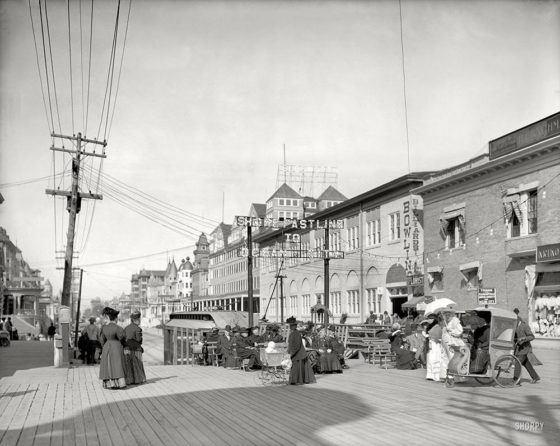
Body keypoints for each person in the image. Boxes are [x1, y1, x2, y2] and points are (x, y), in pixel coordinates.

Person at [99, 307, 127, 389]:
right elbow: (122, 338)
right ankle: (119, 383)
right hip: (116, 347)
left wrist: (102, 349)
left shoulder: (103, 328)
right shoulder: (118, 328)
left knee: (108, 365)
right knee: (117, 365)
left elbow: (101, 340)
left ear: (108, 317)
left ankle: (109, 384)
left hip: (106, 347)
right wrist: (125, 346)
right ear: (115, 318)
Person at [513, 308, 540, 384]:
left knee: (517, 362)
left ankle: (515, 380)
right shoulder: (514, 326)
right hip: (518, 349)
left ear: (518, 320)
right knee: (526, 363)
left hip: (525, 348)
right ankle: (535, 377)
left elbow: (532, 336)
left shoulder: (524, 326)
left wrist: (524, 338)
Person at [287, 317, 316, 385]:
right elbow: (291, 344)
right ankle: (295, 380)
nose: (290, 327)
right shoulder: (293, 333)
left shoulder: (296, 333)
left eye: (292, 325)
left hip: (298, 353)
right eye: (290, 325)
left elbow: (297, 345)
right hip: (296, 353)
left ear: (295, 326)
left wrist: (292, 353)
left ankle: (296, 380)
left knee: (297, 367)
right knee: (296, 367)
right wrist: (289, 351)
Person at [123, 311, 146, 385]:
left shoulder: (126, 328)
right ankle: (138, 379)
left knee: (128, 365)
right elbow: (139, 340)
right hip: (136, 349)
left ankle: (129, 380)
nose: (140, 321)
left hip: (127, 349)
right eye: (139, 319)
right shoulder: (138, 329)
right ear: (136, 320)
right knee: (138, 364)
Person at [423, 317, 444, 381]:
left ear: (434, 320)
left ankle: (436, 376)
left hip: (435, 345)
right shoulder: (429, 326)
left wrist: (429, 336)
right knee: (429, 359)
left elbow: (439, 337)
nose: (429, 320)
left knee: (434, 359)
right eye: (428, 318)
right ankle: (430, 375)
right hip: (430, 344)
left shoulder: (437, 327)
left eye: (430, 319)